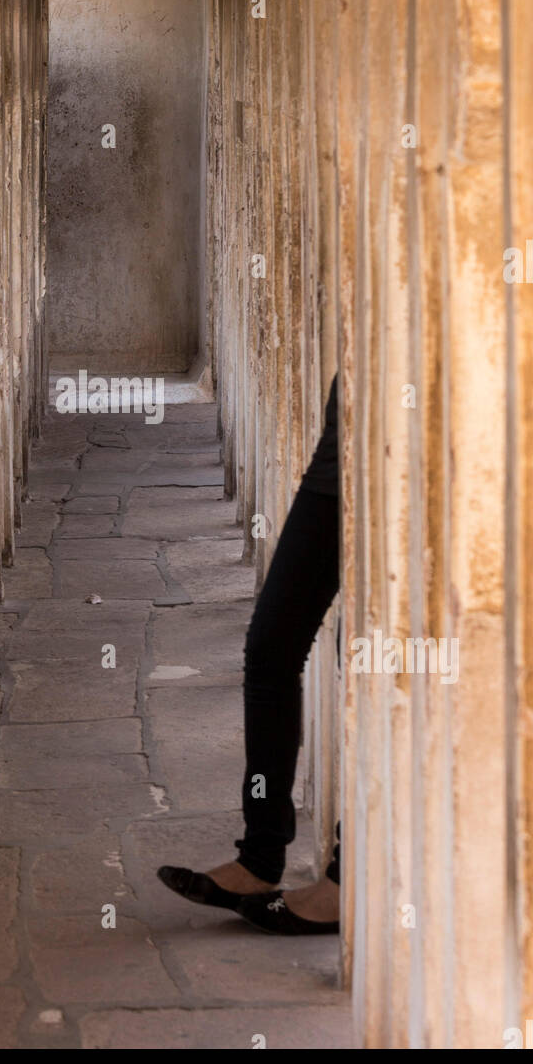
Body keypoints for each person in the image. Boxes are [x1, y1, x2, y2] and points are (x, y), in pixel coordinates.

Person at [158, 375, 341, 935]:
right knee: (269, 650)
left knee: (375, 671)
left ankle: (346, 879)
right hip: (337, 464)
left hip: (407, 468)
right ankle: (261, 858)